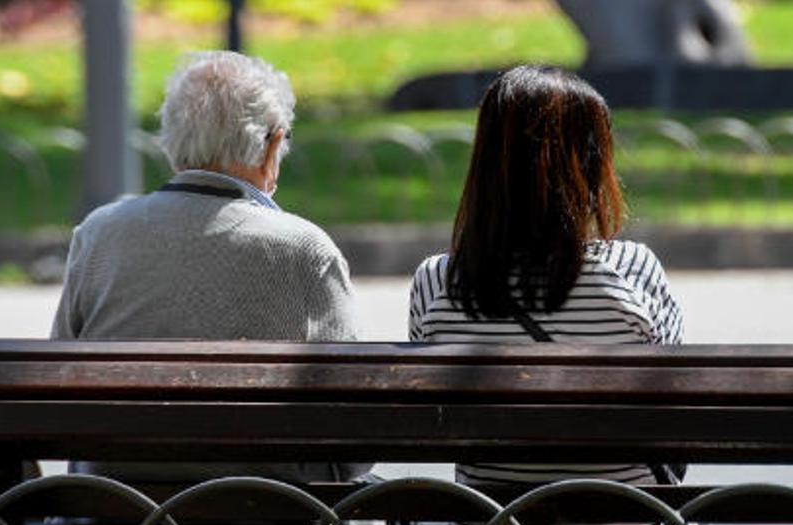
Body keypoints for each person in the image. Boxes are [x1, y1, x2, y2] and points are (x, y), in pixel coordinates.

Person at [51, 51, 369, 483]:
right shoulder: (304, 248)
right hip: (270, 514)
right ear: (271, 145)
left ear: (171, 141)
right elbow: (353, 431)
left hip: (120, 508)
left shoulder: (99, 234)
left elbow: (62, 391)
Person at [407, 65, 684, 485]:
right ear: (592, 166)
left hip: (490, 523)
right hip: (625, 521)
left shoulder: (436, 281)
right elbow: (672, 408)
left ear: (484, 165)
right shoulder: (632, 269)